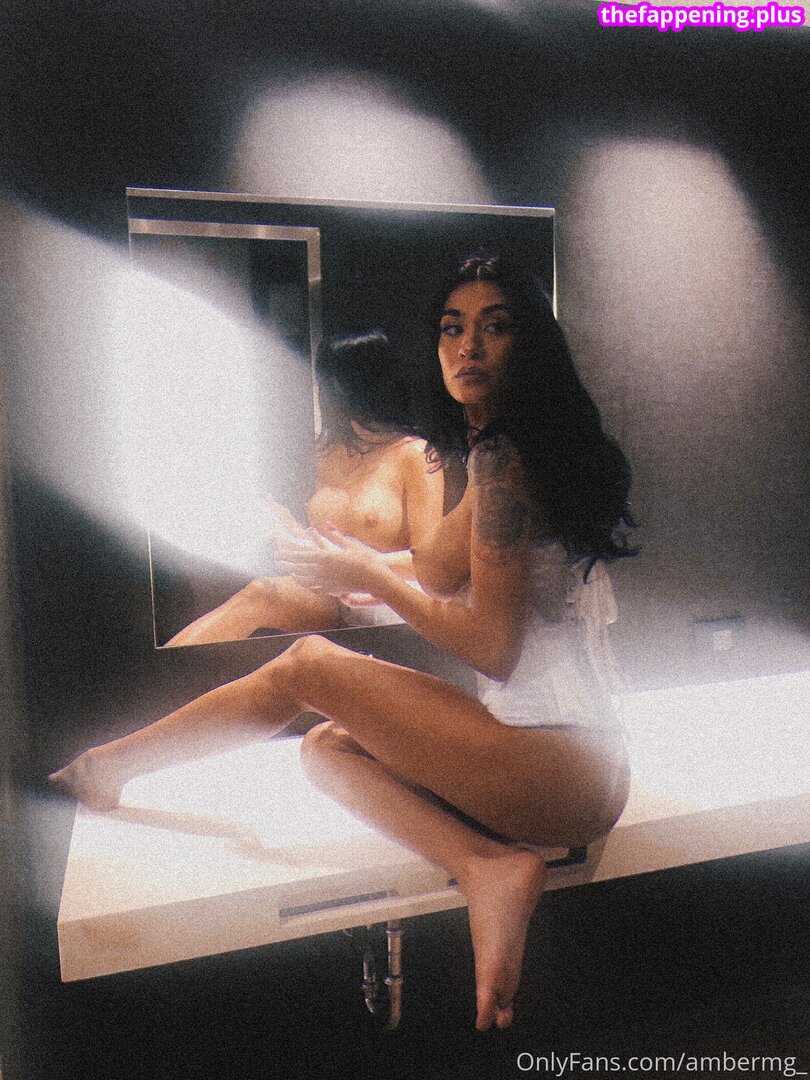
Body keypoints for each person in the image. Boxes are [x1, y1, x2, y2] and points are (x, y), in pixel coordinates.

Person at [50, 254, 636, 1032]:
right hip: (570, 758)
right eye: (452, 328)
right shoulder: (503, 449)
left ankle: (105, 767)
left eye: (495, 327)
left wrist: (371, 577)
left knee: (307, 663)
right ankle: (487, 866)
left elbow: (491, 647)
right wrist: (351, 561)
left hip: (560, 761)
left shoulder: (505, 464)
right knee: (327, 748)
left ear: (530, 343)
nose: (468, 346)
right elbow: (438, 566)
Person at [165, 329, 443, 645]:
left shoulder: (415, 455)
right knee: (260, 592)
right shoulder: (324, 451)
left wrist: (359, 568)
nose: (339, 393)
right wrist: (287, 530)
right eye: (332, 382)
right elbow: (310, 538)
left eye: (352, 381)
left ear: (380, 383)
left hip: (387, 596)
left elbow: (433, 567)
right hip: (328, 593)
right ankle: (159, 668)